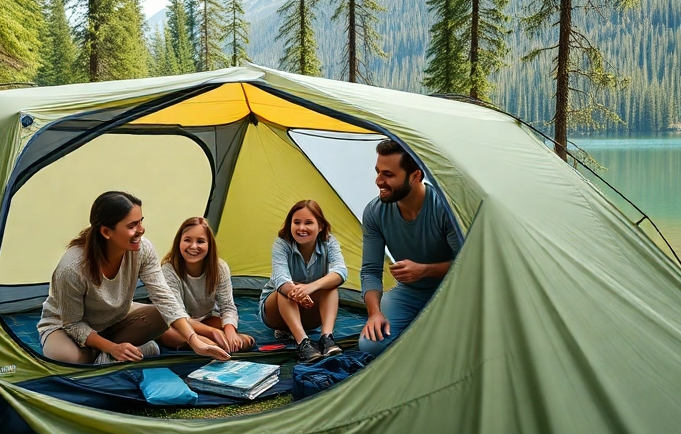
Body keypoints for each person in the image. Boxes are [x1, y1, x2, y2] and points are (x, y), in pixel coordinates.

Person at [37, 191, 231, 365]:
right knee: (71, 359)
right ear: (106, 232)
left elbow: (164, 298)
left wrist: (194, 341)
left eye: (141, 222)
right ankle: (122, 352)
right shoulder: (72, 268)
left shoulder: (143, 249)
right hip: (66, 327)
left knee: (163, 314)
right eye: (132, 225)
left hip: (115, 318)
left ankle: (114, 354)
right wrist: (112, 348)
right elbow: (72, 324)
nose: (141, 230)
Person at [357, 139, 462, 356]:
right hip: (410, 293)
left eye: (388, 174)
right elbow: (370, 270)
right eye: (378, 172)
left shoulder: (444, 208)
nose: (378, 181)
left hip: (454, 291)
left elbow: (469, 264)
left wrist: (425, 270)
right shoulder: (375, 212)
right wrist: (374, 313)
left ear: (415, 176)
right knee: (371, 345)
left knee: (450, 348)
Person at [260, 199, 348, 363]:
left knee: (331, 284)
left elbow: (341, 271)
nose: (301, 228)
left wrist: (310, 288)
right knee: (286, 288)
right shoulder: (282, 244)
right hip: (276, 312)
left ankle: (327, 338)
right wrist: (298, 291)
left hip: (310, 311)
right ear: (290, 224)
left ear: (320, 226)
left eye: (308, 223)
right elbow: (280, 278)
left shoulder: (329, 242)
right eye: (296, 222)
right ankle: (303, 343)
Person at [157, 216, 255, 353]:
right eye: (187, 240)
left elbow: (227, 307)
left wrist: (230, 331)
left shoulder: (220, 268)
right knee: (165, 332)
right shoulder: (169, 269)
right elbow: (176, 314)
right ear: (179, 242)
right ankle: (208, 343)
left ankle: (217, 343)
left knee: (223, 324)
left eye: (200, 241)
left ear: (209, 245)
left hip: (207, 319)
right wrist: (213, 333)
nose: (193, 246)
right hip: (179, 324)